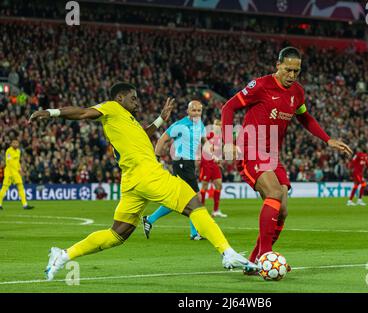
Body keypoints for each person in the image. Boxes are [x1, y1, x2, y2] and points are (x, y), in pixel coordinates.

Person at [29, 82, 257, 281]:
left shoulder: (127, 119)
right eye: (133, 98)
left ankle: (63, 255)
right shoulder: (111, 108)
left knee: (117, 234)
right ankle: (227, 252)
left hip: (131, 181)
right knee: (193, 202)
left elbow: (143, 133)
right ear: (120, 98)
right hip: (147, 173)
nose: (138, 102)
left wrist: (160, 119)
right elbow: (82, 113)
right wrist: (51, 112)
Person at [221, 47, 352, 274]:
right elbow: (228, 107)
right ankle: (265, 257)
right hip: (250, 149)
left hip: (273, 156)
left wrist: (327, 139)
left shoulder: (297, 93)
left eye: (296, 71)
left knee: (282, 210)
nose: (292, 75)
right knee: (273, 194)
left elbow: (305, 117)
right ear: (278, 65)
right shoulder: (261, 85)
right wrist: (227, 140)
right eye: (288, 70)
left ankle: (254, 261)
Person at [142, 100, 206, 240]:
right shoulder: (179, 125)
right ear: (188, 111)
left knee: (179, 198)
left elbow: (203, 141)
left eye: (199, 110)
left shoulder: (200, 125)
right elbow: (162, 140)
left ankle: (150, 219)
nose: (196, 113)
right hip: (181, 163)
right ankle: (194, 233)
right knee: (195, 198)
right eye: (193, 110)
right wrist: (156, 157)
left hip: (189, 164)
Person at [199, 119, 227, 218]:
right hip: (206, 163)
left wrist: (218, 161)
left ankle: (216, 210)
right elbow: (206, 146)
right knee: (204, 186)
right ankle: (201, 209)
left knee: (219, 184)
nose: (217, 127)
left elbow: (217, 152)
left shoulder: (220, 138)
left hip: (214, 164)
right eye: (216, 125)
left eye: (219, 125)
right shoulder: (210, 134)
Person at [0, 139, 34, 210]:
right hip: (9, 173)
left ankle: (25, 205)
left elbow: (17, 162)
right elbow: (9, 163)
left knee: (21, 188)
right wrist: (14, 173)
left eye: (16, 143)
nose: (15, 144)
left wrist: (20, 169)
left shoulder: (18, 151)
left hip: (16, 173)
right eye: (14, 143)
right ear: (11, 144)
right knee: (4, 188)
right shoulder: (8, 151)